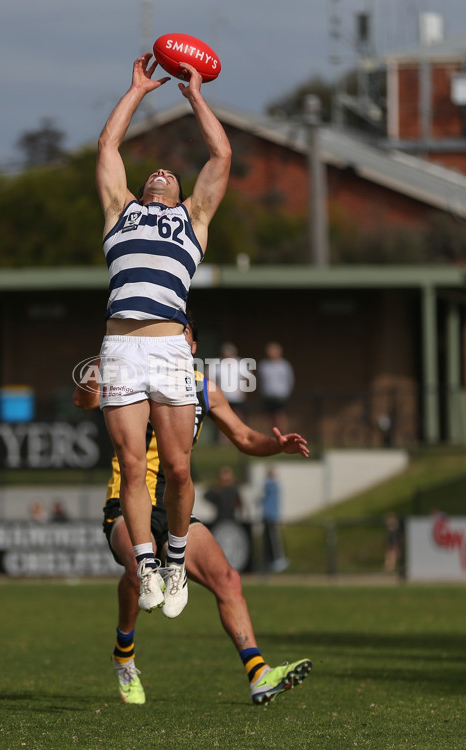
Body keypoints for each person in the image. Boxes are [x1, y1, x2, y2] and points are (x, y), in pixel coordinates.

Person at [73, 321, 312, 706]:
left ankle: (258, 673)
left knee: (228, 579)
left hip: (175, 509)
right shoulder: (127, 374)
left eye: (177, 331)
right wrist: (96, 370)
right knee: (139, 568)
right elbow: (84, 401)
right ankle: (124, 655)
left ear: (191, 344)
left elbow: (245, 437)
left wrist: (276, 445)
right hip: (126, 503)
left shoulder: (203, 388)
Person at [95, 53, 232, 618]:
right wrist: (136, 91)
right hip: (122, 346)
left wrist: (195, 97)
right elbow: (108, 149)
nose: (161, 175)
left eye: (170, 176)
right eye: (155, 173)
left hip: (172, 347)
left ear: (180, 194)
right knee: (132, 466)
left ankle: (176, 559)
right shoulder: (120, 211)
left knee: (177, 468)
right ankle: (148, 566)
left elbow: (221, 154)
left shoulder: (192, 221)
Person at [258, 342, 295, 432]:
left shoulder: (284, 365)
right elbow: (261, 380)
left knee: (280, 415)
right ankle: (274, 436)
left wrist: (286, 392)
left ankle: (283, 434)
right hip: (268, 395)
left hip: (280, 395)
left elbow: (290, 380)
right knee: (270, 417)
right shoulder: (263, 365)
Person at [261, 468, 289, 573]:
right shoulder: (270, 485)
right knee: (272, 540)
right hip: (269, 516)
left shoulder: (272, 485)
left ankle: (275, 560)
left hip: (272, 516)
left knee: (273, 539)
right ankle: (274, 560)